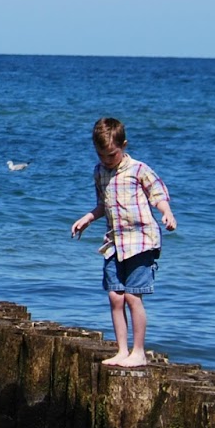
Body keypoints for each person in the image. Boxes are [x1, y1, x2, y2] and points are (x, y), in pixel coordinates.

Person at [70, 117, 178, 368]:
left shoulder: (138, 170)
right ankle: (121, 350)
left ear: (124, 145)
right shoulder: (99, 172)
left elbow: (158, 194)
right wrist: (88, 218)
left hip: (141, 241)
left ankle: (138, 351)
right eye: (101, 155)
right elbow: (102, 205)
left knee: (132, 296)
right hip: (115, 242)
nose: (107, 160)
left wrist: (167, 213)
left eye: (111, 154)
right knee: (115, 296)